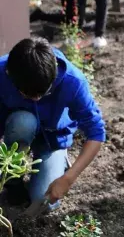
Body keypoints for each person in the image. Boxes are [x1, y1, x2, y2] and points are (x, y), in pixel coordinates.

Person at [0, 37, 105, 211]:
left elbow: (96, 132)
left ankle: (59, 162)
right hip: (18, 131)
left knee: (45, 200)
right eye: (26, 94)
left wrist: (68, 179)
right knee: (23, 121)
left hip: (52, 137)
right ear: (9, 75)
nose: (35, 99)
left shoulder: (73, 82)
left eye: (43, 93)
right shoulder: (2, 72)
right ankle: (12, 182)